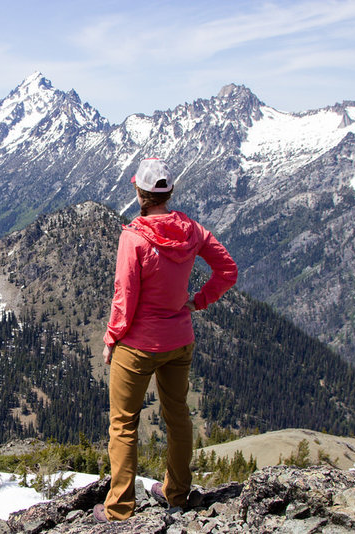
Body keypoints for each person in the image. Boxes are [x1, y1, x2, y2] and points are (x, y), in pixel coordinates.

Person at [93, 158, 238, 522]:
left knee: (123, 424)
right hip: (179, 340)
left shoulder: (134, 238)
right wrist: (199, 301)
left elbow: (124, 297)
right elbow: (228, 270)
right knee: (178, 417)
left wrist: (112, 339)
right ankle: (175, 492)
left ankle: (119, 509)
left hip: (138, 346)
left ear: (138, 192)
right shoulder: (192, 230)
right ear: (169, 192)